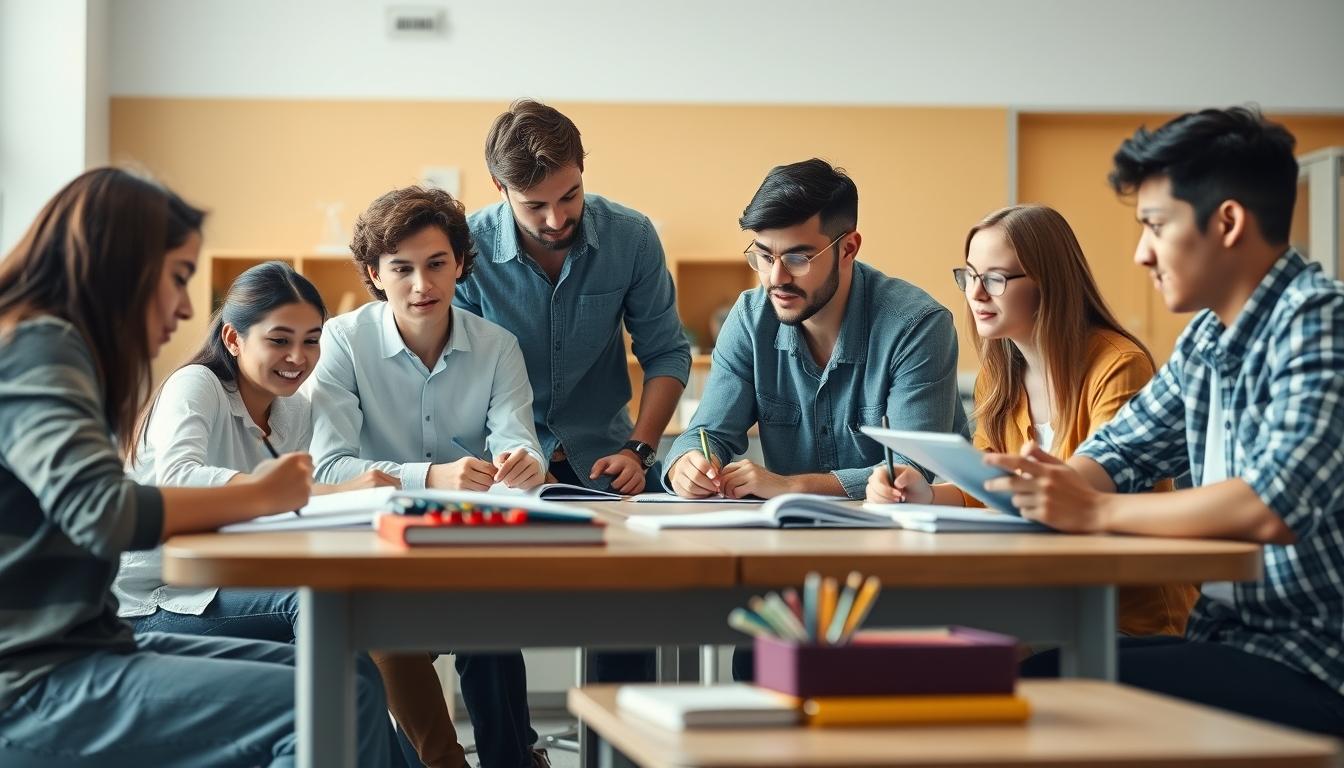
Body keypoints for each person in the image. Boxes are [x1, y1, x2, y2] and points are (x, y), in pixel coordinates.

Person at [0, 168, 396, 766]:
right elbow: (101, 510)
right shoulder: (40, 348)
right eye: (179, 277)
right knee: (334, 697)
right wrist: (263, 495)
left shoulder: (56, 351)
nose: (188, 305)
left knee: (351, 681)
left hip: (90, 644)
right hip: (35, 680)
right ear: (122, 266)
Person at [985, 107, 1344, 735]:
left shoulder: (1320, 322)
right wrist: (1057, 485)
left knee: (1035, 694)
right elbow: (1120, 452)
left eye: (1155, 225)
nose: (1141, 252)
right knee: (1015, 674)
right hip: (1230, 640)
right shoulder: (1208, 336)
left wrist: (1092, 511)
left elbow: (1272, 505)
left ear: (1227, 222)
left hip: (1314, 663)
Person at [866, 204, 1198, 637]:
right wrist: (923, 494)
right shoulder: (999, 374)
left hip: (1126, 620)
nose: (976, 294)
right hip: (1041, 603)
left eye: (996, 279)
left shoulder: (1119, 365)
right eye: (969, 276)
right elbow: (989, 489)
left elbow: (1095, 497)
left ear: (1049, 283)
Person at [309, 184, 548, 767]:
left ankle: (511, 759)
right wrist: (429, 477)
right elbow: (330, 466)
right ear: (375, 272)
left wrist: (524, 463)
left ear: (461, 264)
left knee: (489, 628)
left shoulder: (497, 347)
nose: (423, 285)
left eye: (438, 264)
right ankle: (447, 763)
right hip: (375, 547)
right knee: (382, 623)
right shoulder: (340, 341)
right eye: (403, 269)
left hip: (469, 543)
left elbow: (519, 439)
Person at [456, 98, 692, 683]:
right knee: (483, 623)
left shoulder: (632, 237)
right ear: (499, 186)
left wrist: (640, 449)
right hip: (501, 465)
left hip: (606, 460)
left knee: (626, 618)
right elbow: (455, 368)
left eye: (570, 196)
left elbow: (666, 353)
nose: (557, 218)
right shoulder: (464, 248)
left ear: (584, 168)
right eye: (535, 205)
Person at [115, 260, 396, 642]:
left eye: (311, 340)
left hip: (228, 583)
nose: (298, 357)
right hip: (152, 600)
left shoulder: (295, 409)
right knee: (318, 603)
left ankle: (339, 702)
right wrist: (322, 493)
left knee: (352, 601)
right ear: (233, 339)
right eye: (279, 341)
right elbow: (177, 478)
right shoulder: (197, 384)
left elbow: (287, 512)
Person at [665, 158, 966, 501]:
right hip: (793, 536)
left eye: (797, 259)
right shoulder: (749, 318)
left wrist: (792, 486)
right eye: (764, 256)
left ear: (848, 249)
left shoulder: (917, 326)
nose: (776, 278)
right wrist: (687, 465)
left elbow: (912, 470)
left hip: (909, 538)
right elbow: (706, 434)